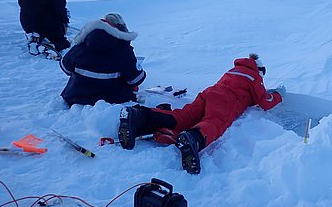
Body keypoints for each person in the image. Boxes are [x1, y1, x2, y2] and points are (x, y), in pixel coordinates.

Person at [118, 53, 285, 175]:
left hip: (209, 93)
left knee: (184, 116)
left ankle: (139, 116)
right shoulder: (254, 76)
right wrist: (278, 94)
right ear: (259, 69)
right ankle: (194, 138)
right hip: (226, 100)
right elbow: (265, 101)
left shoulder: (233, 71)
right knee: (215, 121)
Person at [59, 13, 146, 106]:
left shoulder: (81, 45)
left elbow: (65, 68)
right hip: (111, 100)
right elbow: (135, 79)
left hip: (75, 97)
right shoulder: (124, 50)